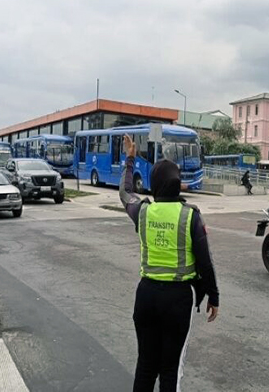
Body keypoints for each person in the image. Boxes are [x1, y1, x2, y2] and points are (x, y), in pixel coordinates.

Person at [119, 135, 219, 391]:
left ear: (155, 185)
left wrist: (130, 160)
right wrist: (213, 296)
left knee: (145, 366)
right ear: (176, 184)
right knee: (170, 370)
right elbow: (205, 262)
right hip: (178, 300)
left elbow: (125, 192)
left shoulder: (143, 211)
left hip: (146, 296)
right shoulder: (190, 216)